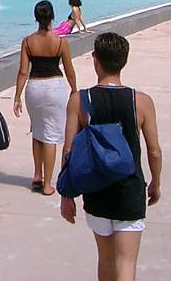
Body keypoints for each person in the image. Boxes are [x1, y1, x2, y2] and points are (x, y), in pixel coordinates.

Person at [60, 33, 162, 281]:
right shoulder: (142, 102)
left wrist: (67, 194)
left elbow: (68, 151)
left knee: (105, 260)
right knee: (126, 262)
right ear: (124, 61)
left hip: (96, 191)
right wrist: (155, 183)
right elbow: (154, 151)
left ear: (96, 61)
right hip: (129, 190)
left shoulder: (79, 101)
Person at [14, 0, 78, 195]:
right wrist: (75, 90)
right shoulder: (61, 42)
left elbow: (23, 72)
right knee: (50, 135)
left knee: (37, 131)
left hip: (34, 88)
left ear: (36, 18)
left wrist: (17, 96)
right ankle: (48, 183)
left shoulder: (27, 41)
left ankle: (37, 175)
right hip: (54, 88)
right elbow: (69, 70)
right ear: (52, 17)